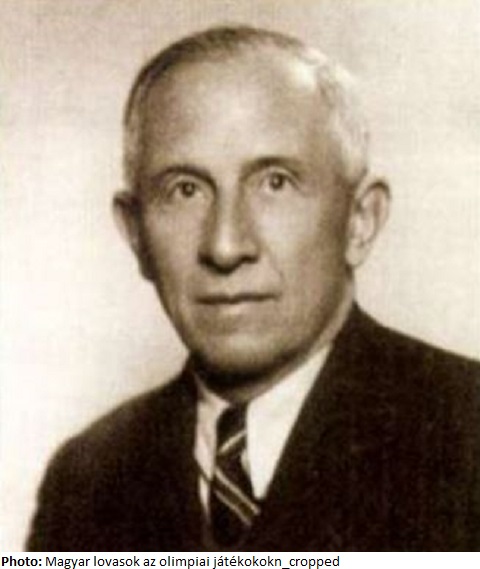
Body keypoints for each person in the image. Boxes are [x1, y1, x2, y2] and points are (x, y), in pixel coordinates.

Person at [27, 25, 480, 552]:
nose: (225, 247)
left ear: (360, 221)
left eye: (275, 182)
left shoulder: (466, 433)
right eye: (186, 190)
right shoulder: (85, 479)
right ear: (135, 235)